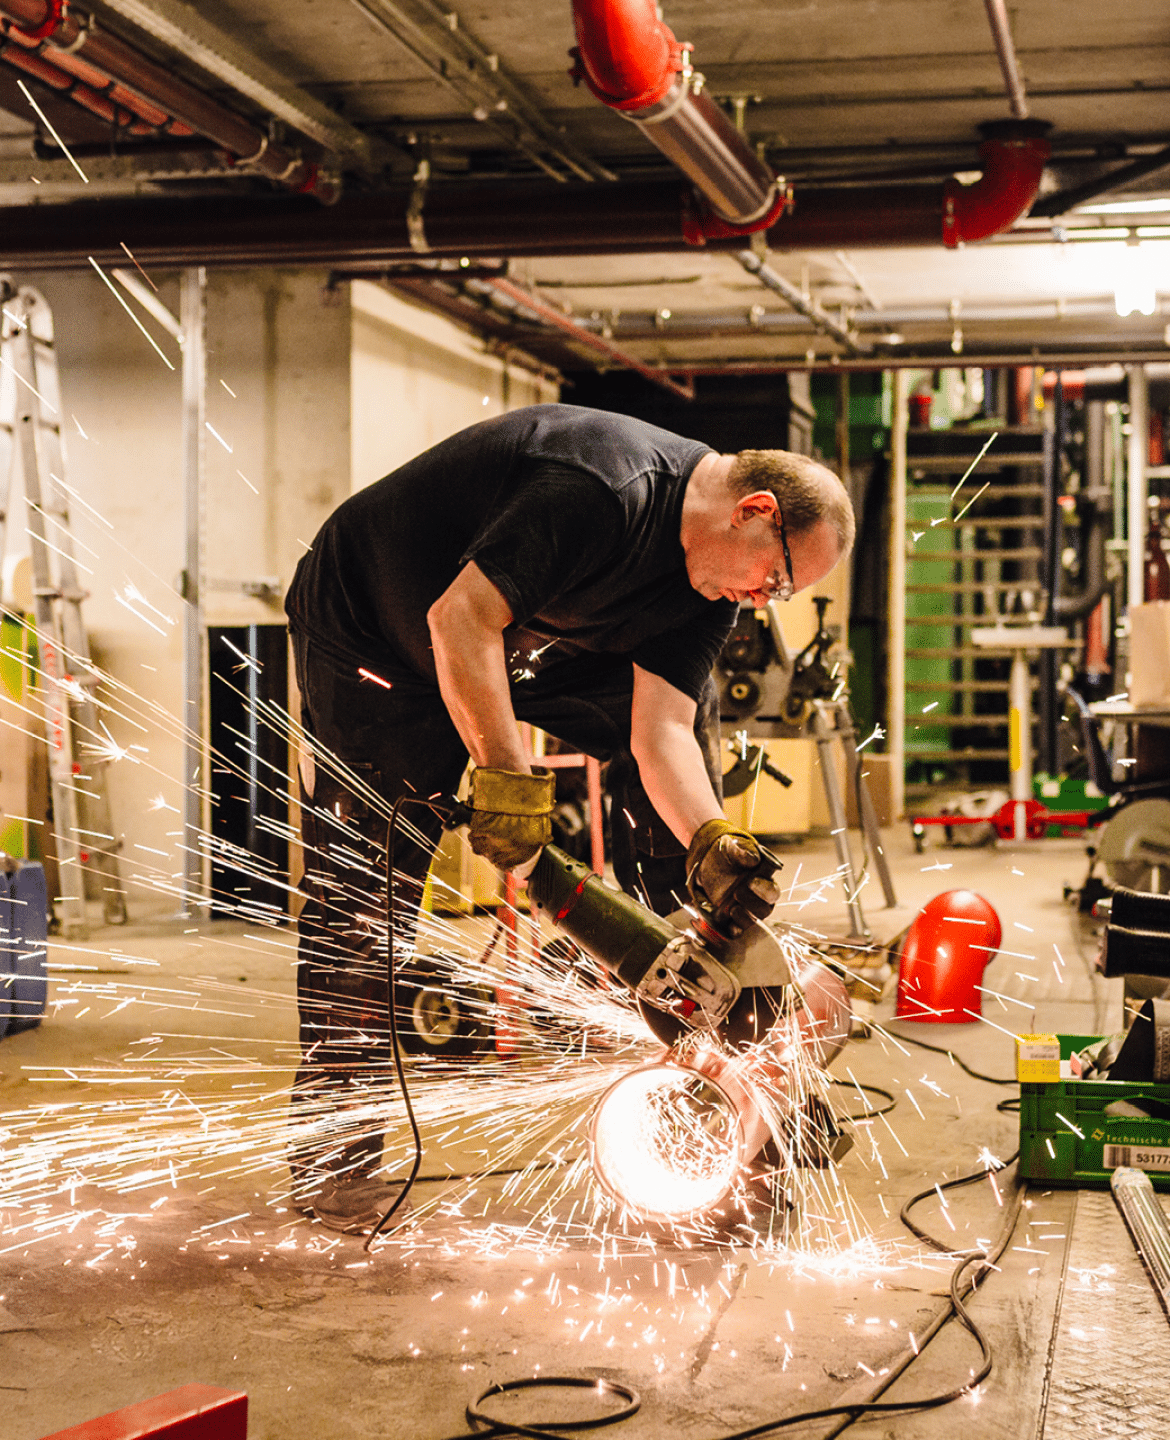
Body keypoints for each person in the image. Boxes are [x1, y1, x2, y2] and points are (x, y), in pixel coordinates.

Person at [284, 402, 854, 1233]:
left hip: (517, 644)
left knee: (683, 811)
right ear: (755, 511)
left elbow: (659, 734)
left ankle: (705, 1029)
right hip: (376, 633)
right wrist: (507, 777)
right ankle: (336, 1156)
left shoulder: (706, 592)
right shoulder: (603, 486)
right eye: (774, 580)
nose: (763, 600)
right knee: (366, 888)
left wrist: (711, 840)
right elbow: (458, 619)